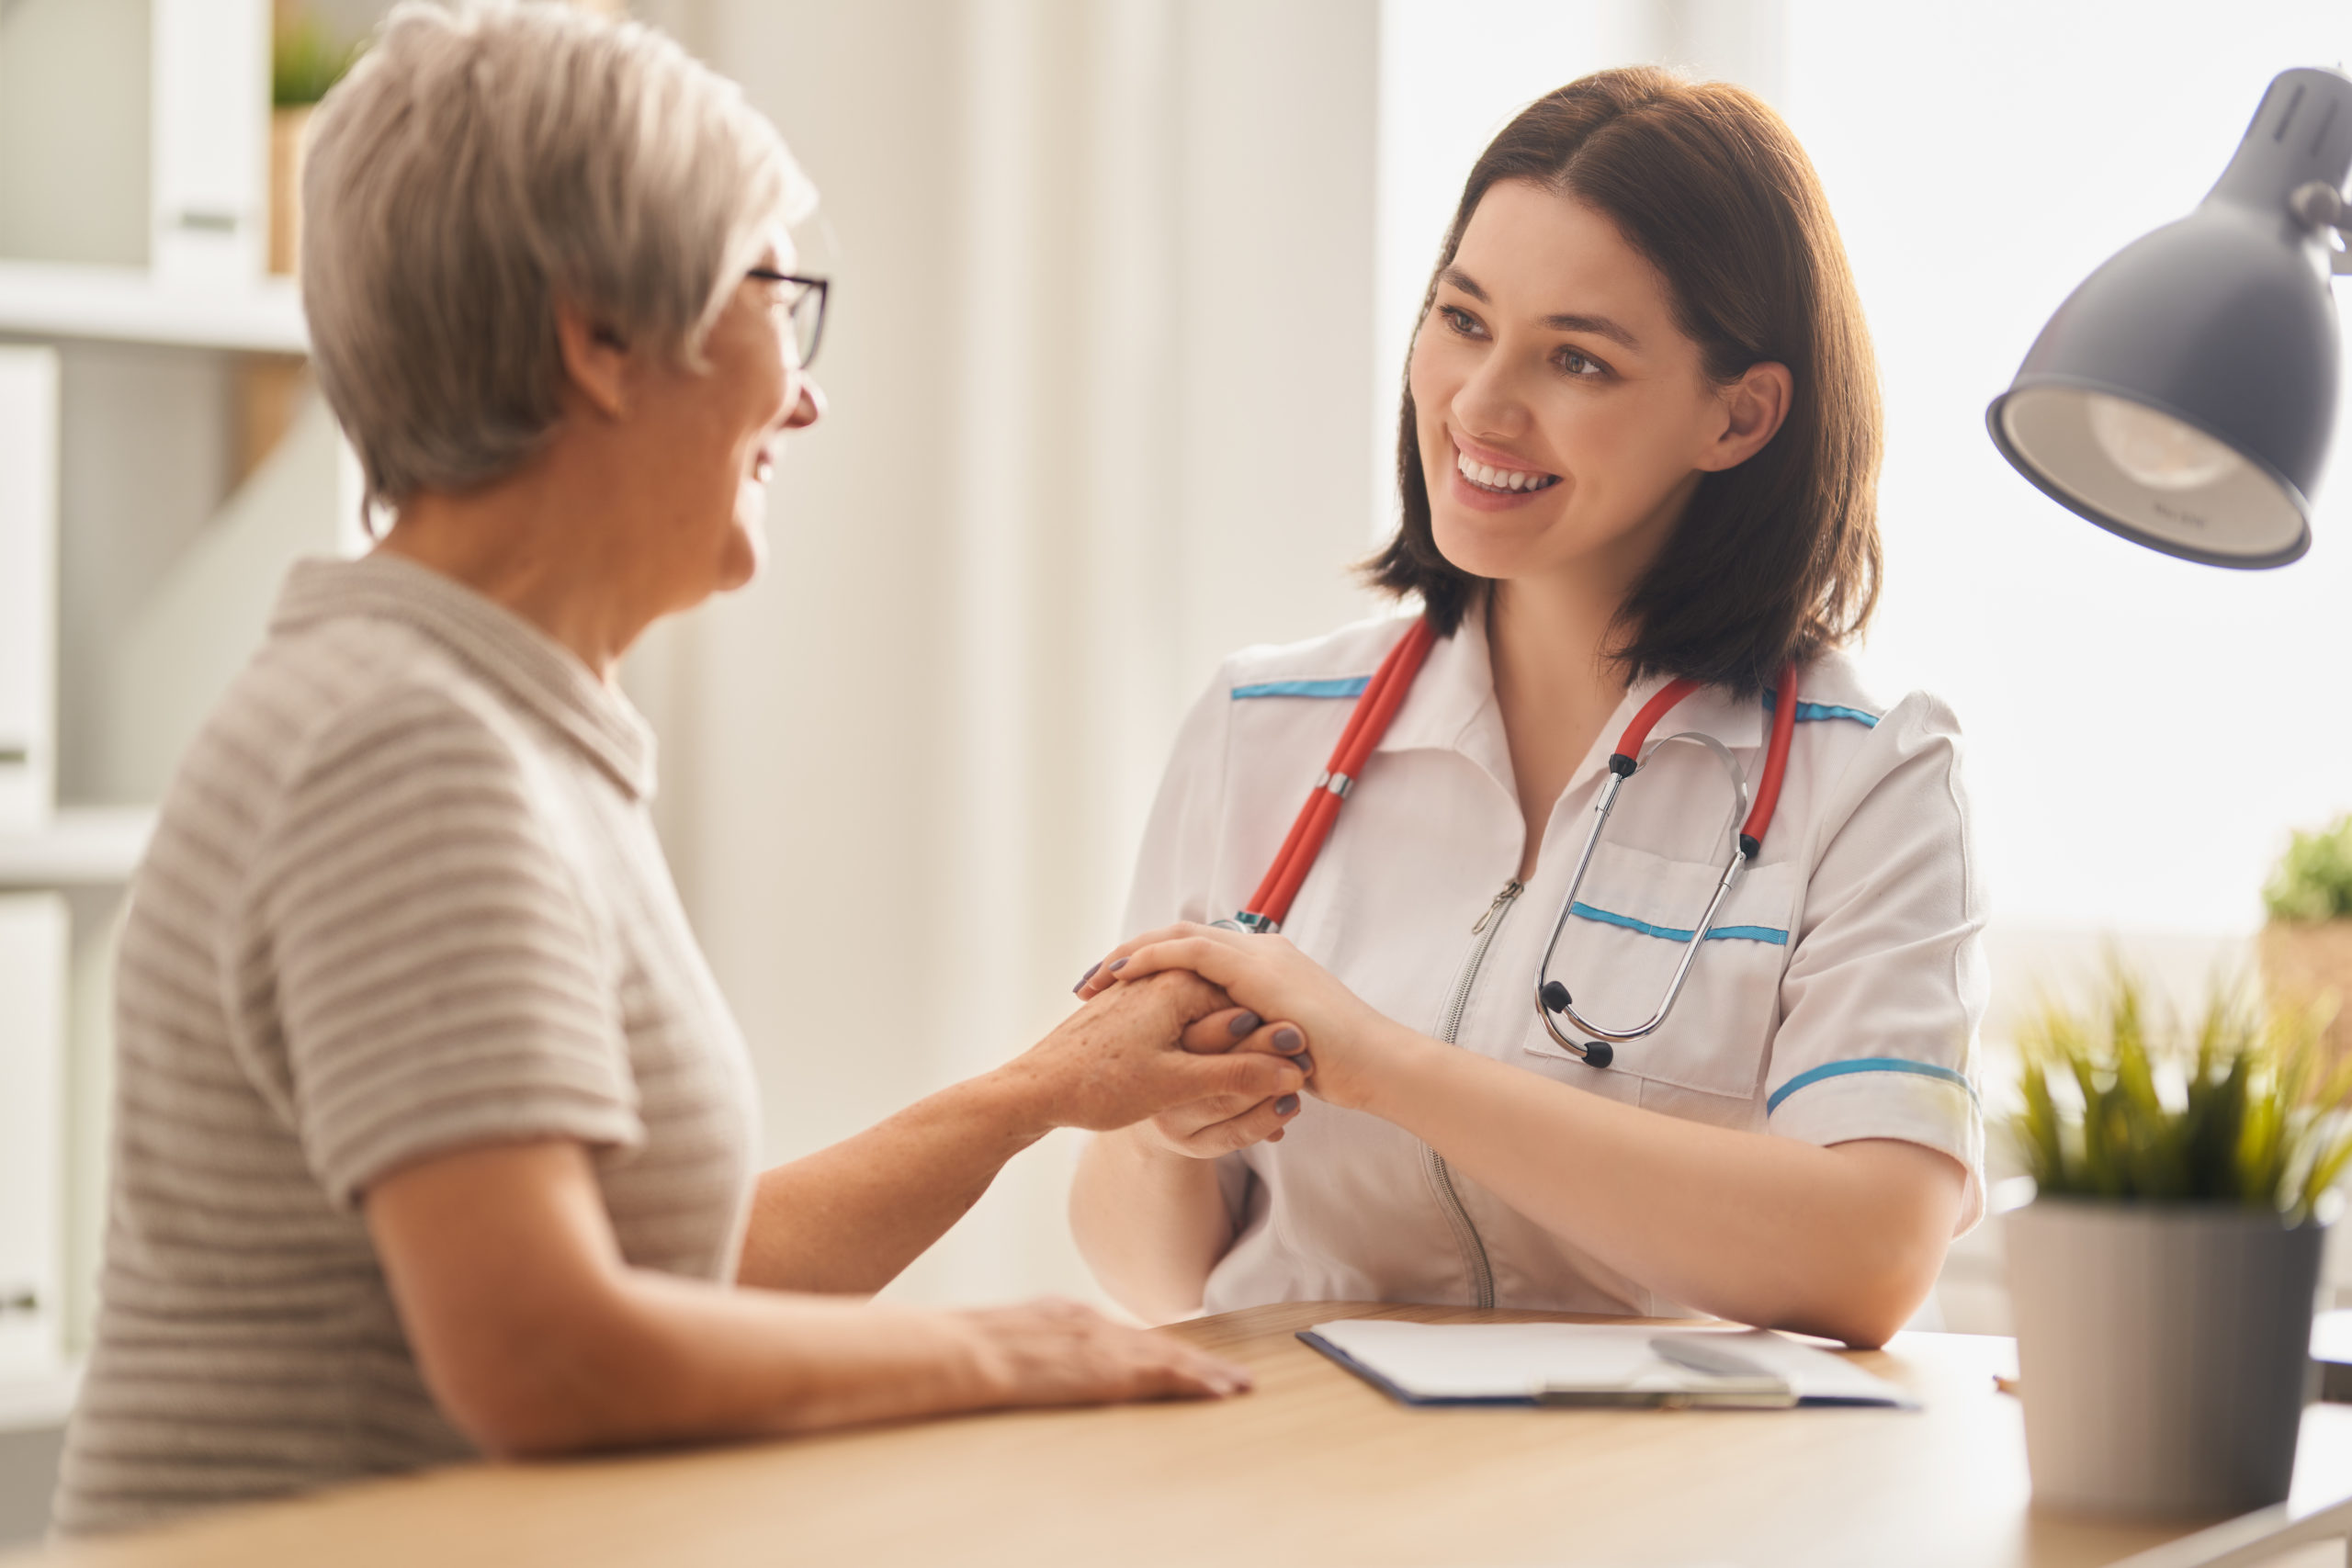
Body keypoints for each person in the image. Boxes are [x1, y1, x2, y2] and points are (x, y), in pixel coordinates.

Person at [52, 3, 1308, 1536]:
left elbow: (651, 1279)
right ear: (598, 337)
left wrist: (1033, 1096)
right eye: (774, 294)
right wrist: (993, 1345)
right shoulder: (405, 750)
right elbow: (543, 1357)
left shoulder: (481, 715)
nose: (806, 392)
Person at [1069, 67, 1983, 1349]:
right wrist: (1168, 1130)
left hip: (1665, 1511)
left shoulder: (1867, 775)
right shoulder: (1260, 724)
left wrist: (1380, 1064)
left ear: (1739, 413)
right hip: (1301, 1490)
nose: (1480, 406)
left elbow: (1870, 1252)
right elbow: (1155, 1271)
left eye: (1577, 358)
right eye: (1462, 319)